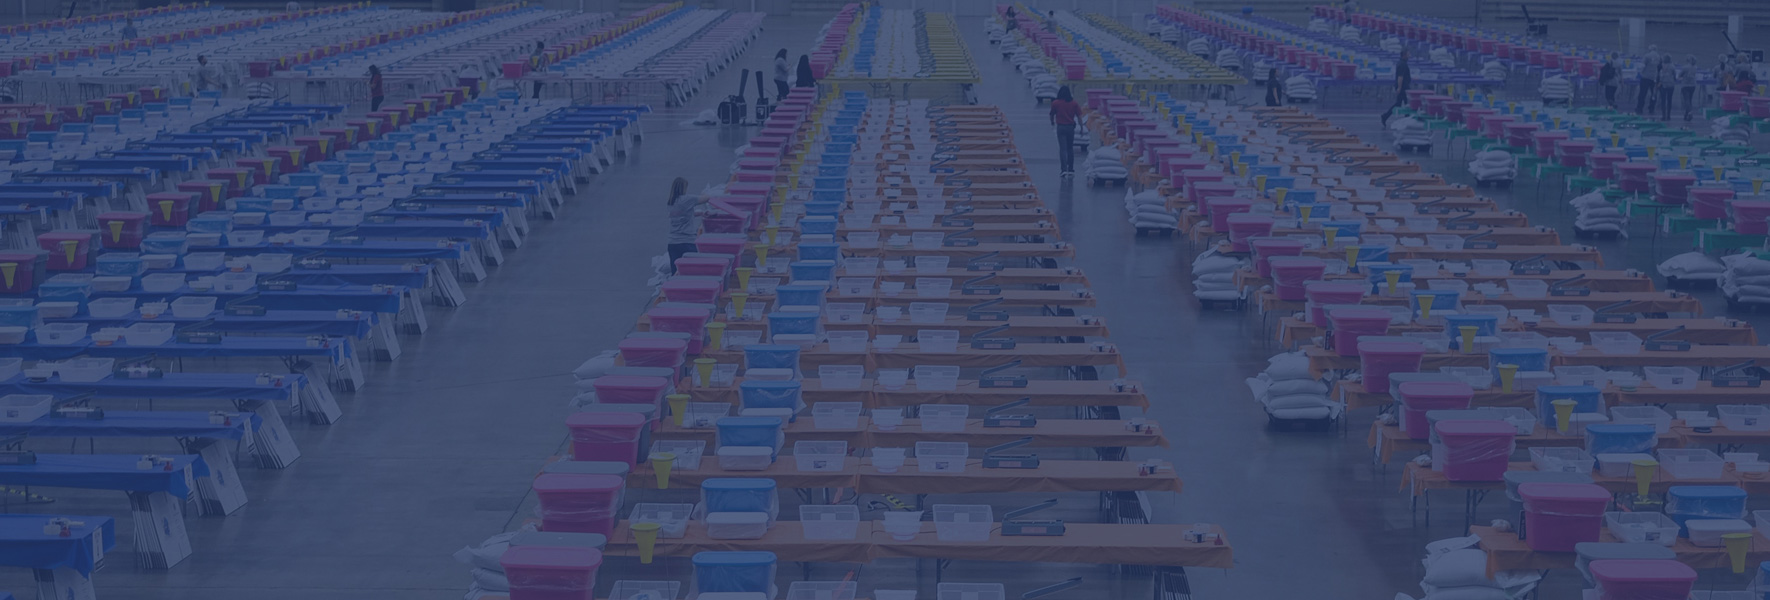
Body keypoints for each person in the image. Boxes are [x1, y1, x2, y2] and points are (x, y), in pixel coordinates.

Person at [666, 178, 704, 273]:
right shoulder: (687, 199)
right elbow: (706, 198)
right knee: (692, 272)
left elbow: (680, 215)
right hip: (687, 242)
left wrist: (698, 213)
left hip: (673, 243)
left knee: (676, 273)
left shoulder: (670, 202)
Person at [1049, 86, 1080, 177]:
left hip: (1061, 127)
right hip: (1070, 128)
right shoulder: (1074, 103)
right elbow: (1079, 116)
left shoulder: (1056, 103)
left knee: (1063, 149)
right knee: (1070, 148)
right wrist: (1082, 128)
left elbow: (1052, 114)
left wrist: (1052, 122)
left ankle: (1063, 170)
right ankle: (1071, 169)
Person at [1380, 49, 1411, 127]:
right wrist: (1399, 88)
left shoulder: (1402, 63)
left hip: (1403, 87)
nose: (1409, 56)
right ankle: (1407, 120)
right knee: (1406, 104)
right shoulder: (1402, 64)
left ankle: (1385, 116)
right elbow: (1400, 77)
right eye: (1408, 54)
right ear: (1404, 55)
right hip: (1403, 88)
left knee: (1400, 104)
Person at [1636, 44, 1661, 115]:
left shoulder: (1647, 56)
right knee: (1653, 94)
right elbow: (1659, 68)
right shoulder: (1659, 57)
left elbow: (1643, 66)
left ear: (1650, 49)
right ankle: (1651, 108)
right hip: (1654, 78)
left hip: (1645, 77)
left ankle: (1639, 108)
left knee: (1642, 93)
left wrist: (1640, 72)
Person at [1678, 55, 1698, 121]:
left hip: (1685, 85)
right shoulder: (1695, 67)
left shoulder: (1685, 67)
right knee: (1689, 100)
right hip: (1693, 85)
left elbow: (1679, 75)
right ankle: (1686, 115)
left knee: (1686, 100)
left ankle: (1690, 112)